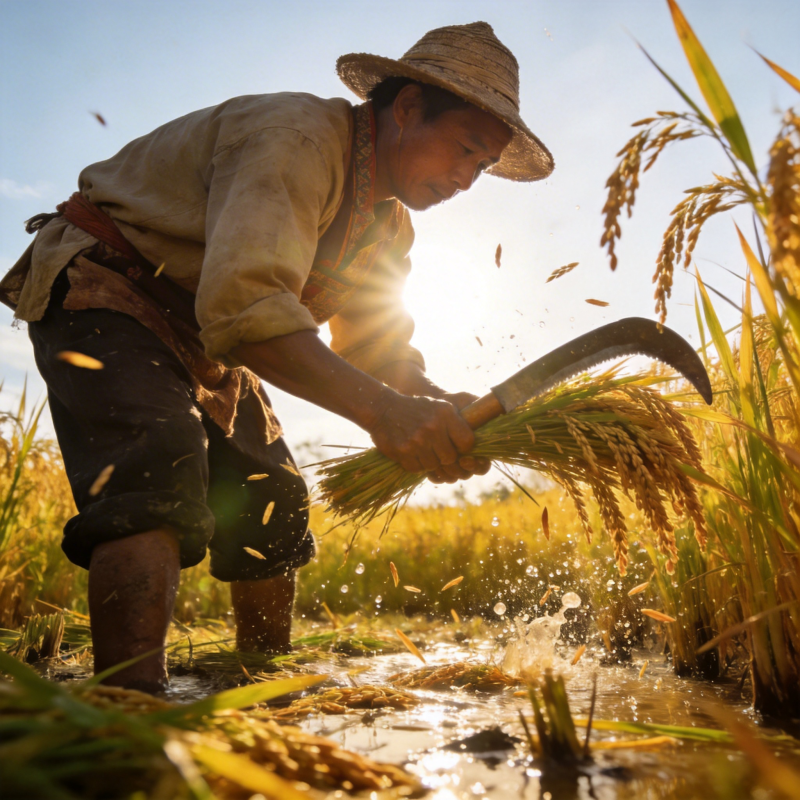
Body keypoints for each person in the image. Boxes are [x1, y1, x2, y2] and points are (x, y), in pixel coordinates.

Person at [0, 21, 553, 693]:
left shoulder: (388, 224)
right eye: (463, 150)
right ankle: (127, 711)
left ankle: (261, 684)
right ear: (406, 108)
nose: (467, 179)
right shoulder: (294, 141)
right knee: (155, 465)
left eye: (481, 166)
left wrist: (432, 403)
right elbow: (248, 312)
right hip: (112, 288)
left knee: (274, 495)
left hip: (207, 334)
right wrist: (386, 414)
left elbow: (377, 344)